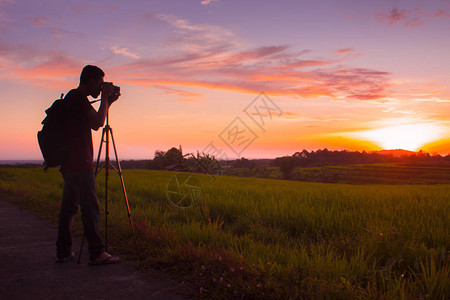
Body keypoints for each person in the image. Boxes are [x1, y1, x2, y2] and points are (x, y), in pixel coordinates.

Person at [56, 65, 120, 265]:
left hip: (69, 163)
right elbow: (99, 122)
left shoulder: (72, 98)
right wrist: (105, 100)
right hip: (80, 162)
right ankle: (96, 252)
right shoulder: (77, 98)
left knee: (69, 209)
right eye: (100, 83)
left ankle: (64, 251)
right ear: (90, 81)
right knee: (90, 208)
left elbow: (93, 123)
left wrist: (107, 102)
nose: (100, 88)